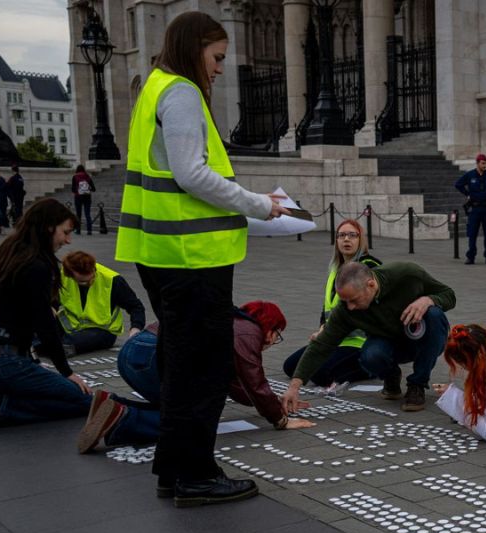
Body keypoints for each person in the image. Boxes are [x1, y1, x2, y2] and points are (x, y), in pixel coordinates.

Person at [115, 11, 289, 506]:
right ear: (195, 48)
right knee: (204, 369)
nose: (218, 69)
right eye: (216, 58)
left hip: (162, 252)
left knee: (179, 362)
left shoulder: (154, 87)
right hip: (192, 258)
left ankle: (175, 467)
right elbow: (193, 174)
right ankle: (195, 474)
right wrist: (260, 205)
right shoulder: (183, 93)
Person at [83, 302, 315, 475]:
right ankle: (125, 418)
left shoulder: (232, 322)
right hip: (152, 354)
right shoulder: (247, 331)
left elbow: (237, 386)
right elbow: (252, 379)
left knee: (177, 407)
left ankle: (114, 406)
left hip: (134, 352)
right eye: (277, 336)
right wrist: (280, 419)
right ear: (270, 327)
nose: (273, 343)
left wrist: (273, 403)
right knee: (193, 421)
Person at [0, 199, 94, 432]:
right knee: (85, 399)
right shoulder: (37, 266)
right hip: (6, 363)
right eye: (65, 232)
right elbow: (45, 325)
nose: (68, 240)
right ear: (48, 227)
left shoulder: (9, 254)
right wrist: (67, 372)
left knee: (48, 390)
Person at [281, 261, 456, 413]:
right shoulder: (345, 309)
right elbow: (321, 345)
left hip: (421, 338)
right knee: (370, 356)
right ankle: (391, 375)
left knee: (434, 315)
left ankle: (417, 384)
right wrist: (294, 387)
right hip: (388, 343)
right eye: (345, 301)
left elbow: (449, 295)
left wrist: (428, 300)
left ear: (371, 285)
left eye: (354, 300)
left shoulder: (407, 274)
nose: (350, 307)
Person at [282, 218, 382, 387]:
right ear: (336, 240)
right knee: (291, 367)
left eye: (352, 235)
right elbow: (326, 308)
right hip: (333, 339)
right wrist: (322, 328)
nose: (346, 240)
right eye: (341, 235)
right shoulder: (336, 269)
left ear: (361, 240)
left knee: (321, 375)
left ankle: (372, 367)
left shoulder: (369, 267)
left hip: (359, 342)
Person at [58, 251, 146, 356]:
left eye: (90, 278)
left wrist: (135, 330)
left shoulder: (112, 280)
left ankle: (56, 345)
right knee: (40, 331)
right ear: (70, 275)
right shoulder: (62, 276)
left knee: (65, 342)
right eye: (81, 281)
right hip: (71, 327)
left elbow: (136, 307)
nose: (87, 283)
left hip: (102, 331)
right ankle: (53, 344)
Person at [454, 153, 486, 265]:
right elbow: (458, 184)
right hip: (475, 209)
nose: (485, 165)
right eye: (482, 163)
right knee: (472, 234)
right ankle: (470, 257)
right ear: (477, 163)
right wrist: (467, 194)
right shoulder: (470, 175)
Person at [71, 164, 97, 235]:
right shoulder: (87, 176)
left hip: (78, 197)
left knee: (78, 214)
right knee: (87, 214)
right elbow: (94, 189)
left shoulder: (75, 177)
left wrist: (78, 191)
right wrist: (87, 190)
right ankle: (89, 230)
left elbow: (73, 189)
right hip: (87, 197)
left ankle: (78, 230)